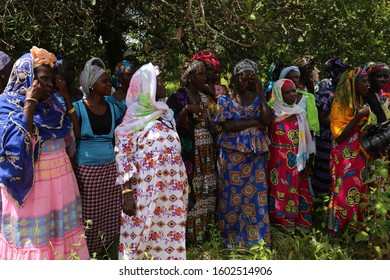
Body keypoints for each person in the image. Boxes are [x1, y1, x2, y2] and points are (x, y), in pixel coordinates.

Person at [0, 46, 89, 259]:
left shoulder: (52, 107)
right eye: (43, 79)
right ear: (26, 78)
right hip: (31, 190)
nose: (49, 85)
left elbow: (71, 140)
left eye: (51, 79)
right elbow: (15, 147)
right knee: (35, 241)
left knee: (61, 235)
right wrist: (30, 102)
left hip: (60, 183)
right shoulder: (7, 106)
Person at [115, 63, 188, 260]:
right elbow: (124, 156)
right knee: (141, 237)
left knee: (169, 238)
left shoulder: (166, 114)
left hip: (171, 192)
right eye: (160, 80)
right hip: (144, 192)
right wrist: (127, 192)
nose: (164, 83)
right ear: (148, 87)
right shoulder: (133, 118)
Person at [213, 59, 272, 248]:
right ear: (235, 79)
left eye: (251, 78)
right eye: (244, 78)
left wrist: (261, 92)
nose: (247, 82)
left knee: (256, 197)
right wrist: (254, 123)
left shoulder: (258, 99)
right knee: (232, 197)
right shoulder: (225, 99)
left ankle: (256, 239)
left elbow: (267, 120)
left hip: (255, 156)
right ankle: (231, 240)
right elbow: (227, 125)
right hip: (232, 157)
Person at [73, 57, 123, 256]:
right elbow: (73, 140)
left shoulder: (113, 108)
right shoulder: (77, 108)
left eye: (108, 81)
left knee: (110, 209)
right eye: (104, 81)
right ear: (92, 85)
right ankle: (90, 250)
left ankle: (108, 245)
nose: (109, 84)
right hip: (86, 169)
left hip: (110, 166)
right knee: (90, 212)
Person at [167, 59, 218, 244]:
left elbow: (215, 120)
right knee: (192, 189)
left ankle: (204, 233)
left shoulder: (205, 98)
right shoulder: (178, 97)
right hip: (189, 150)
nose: (204, 77)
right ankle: (189, 237)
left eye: (205, 73)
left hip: (207, 150)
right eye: (200, 74)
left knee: (208, 188)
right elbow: (171, 124)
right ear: (189, 78)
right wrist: (187, 109)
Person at [328, 67, 373, 234]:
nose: (368, 85)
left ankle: (354, 230)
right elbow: (339, 136)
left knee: (357, 191)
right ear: (353, 84)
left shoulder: (361, 102)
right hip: (345, 157)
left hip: (359, 156)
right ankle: (337, 230)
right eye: (364, 81)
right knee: (343, 191)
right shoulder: (340, 105)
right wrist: (359, 116)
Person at [268, 79, 315, 231]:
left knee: (299, 189)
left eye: (294, 91)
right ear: (278, 95)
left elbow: (308, 140)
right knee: (281, 190)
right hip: (279, 161)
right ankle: (282, 224)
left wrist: (307, 161)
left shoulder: (300, 114)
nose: (292, 95)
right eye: (287, 92)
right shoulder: (272, 115)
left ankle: (300, 224)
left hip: (298, 160)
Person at [312, 57, 349, 194]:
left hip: (341, 135)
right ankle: (320, 205)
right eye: (341, 71)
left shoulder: (344, 88)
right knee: (324, 173)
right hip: (327, 137)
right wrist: (344, 125)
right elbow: (322, 117)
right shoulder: (325, 88)